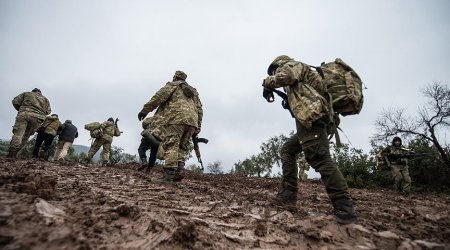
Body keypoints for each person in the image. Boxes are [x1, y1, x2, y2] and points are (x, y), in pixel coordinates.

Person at [262, 55, 357, 224]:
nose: (275, 73)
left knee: (319, 158)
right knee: (288, 149)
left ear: (278, 64)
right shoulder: (300, 75)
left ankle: (345, 208)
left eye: (274, 70)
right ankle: (288, 194)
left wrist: (267, 82)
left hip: (313, 118)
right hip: (311, 120)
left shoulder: (291, 65)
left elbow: (286, 76)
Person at [138, 70, 203, 182]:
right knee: (182, 147)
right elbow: (200, 109)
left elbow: (158, 98)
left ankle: (168, 176)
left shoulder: (173, 86)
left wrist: (144, 111)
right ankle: (179, 172)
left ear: (175, 77)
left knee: (171, 145)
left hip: (176, 119)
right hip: (192, 121)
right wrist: (198, 126)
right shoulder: (194, 92)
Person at [8, 88, 51, 158]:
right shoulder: (46, 99)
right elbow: (48, 111)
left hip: (24, 114)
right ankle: (16, 152)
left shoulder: (26, 93)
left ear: (33, 91)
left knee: (18, 134)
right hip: (37, 119)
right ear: (40, 92)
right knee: (26, 136)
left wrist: (20, 109)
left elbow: (15, 101)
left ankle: (12, 153)